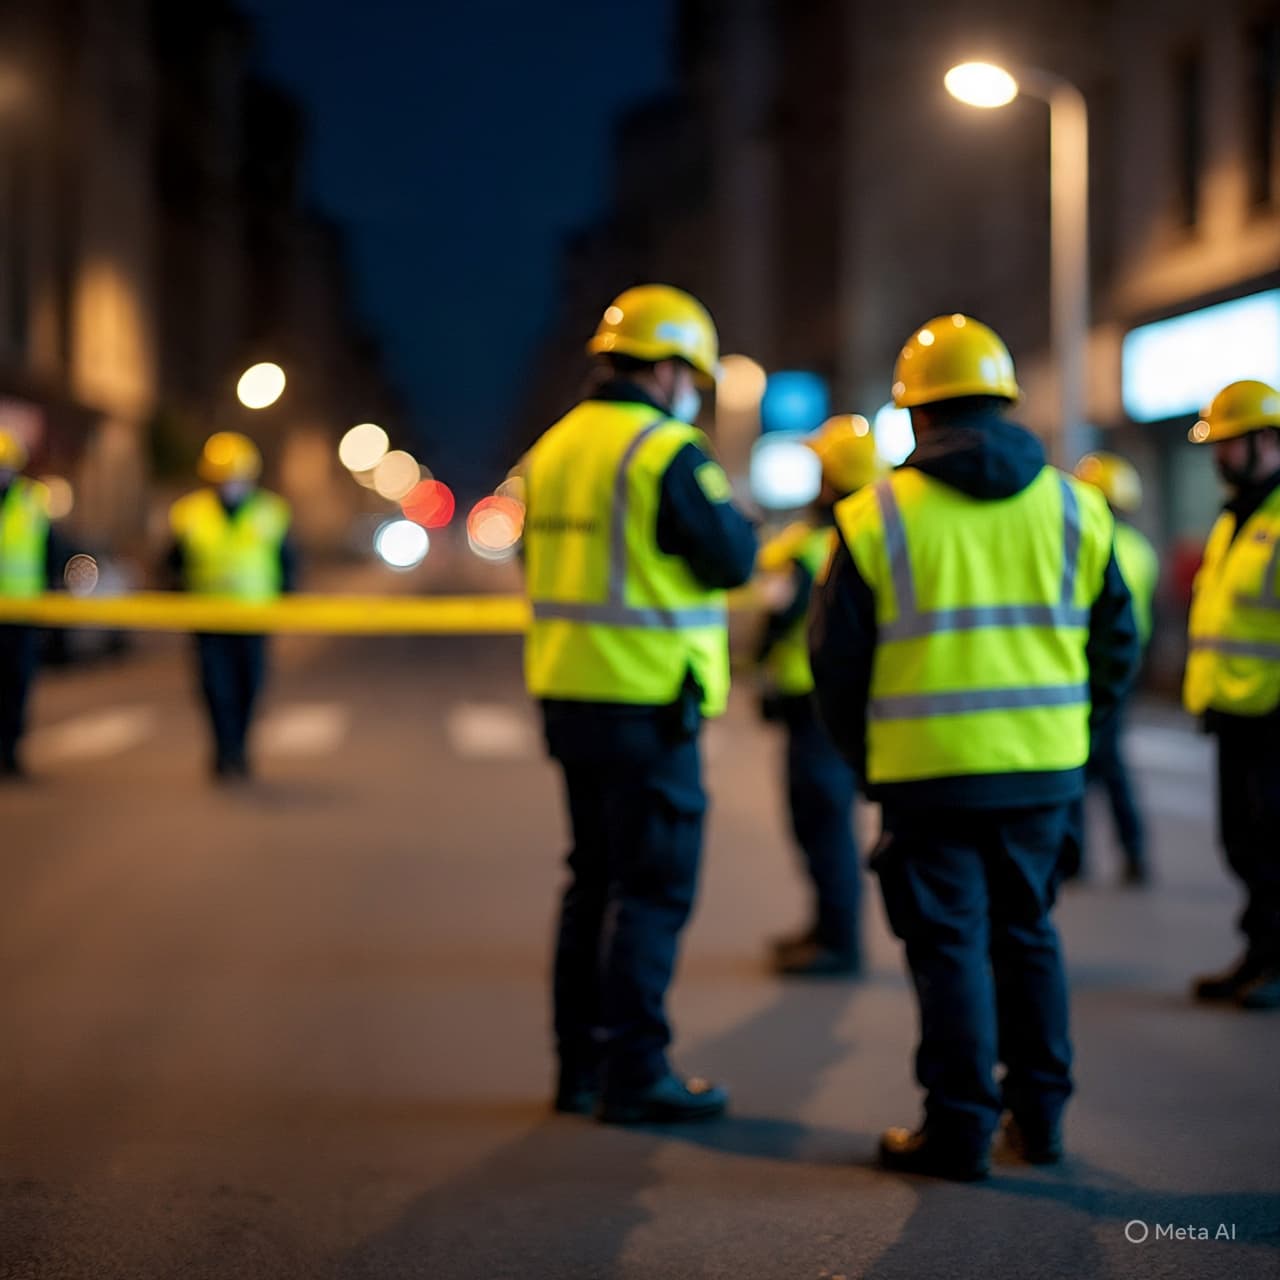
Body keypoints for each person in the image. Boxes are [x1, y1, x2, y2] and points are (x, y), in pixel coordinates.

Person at [810, 314, 1139, 1180]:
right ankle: (1042, 1123)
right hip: (1042, 771)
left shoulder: (874, 515)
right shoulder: (1078, 506)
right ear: (1005, 402)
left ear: (915, 415)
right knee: (1028, 934)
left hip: (927, 777)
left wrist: (868, 758)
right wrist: (1075, 733)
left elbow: (834, 666)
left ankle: (957, 1132)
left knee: (948, 947)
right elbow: (1118, 645)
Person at [522, 284, 757, 1123]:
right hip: (649, 701)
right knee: (652, 889)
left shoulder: (552, 448)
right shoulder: (665, 451)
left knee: (591, 881)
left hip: (568, 692)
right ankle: (636, 1073)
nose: (691, 389)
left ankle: (577, 1069)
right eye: (691, 373)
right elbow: (731, 558)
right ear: (664, 368)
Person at [755, 416, 882, 976]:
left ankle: (837, 940)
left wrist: (758, 666)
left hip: (811, 707)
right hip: (845, 699)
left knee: (821, 821)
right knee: (827, 821)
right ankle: (827, 929)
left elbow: (774, 619)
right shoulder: (873, 532)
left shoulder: (807, 546)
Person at [1184, 380, 1280, 1012]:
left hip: (1275, 715)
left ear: (1267, 440)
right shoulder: (1238, 516)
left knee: (1272, 847)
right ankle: (1259, 955)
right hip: (1234, 710)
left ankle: (1273, 964)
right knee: (1243, 843)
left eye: (1229, 444)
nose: (1218, 457)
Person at [167, 432, 294, 781]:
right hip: (208, 621)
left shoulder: (272, 512)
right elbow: (173, 564)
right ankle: (224, 752)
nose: (229, 484)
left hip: (254, 620)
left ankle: (239, 749)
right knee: (215, 689)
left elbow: (288, 565)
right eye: (223, 477)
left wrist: (285, 604)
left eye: (235, 476)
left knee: (249, 688)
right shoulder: (189, 513)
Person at [1070, 452, 1160, 885]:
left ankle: (1077, 857)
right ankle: (1133, 851)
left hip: (1089, 665)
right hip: (1125, 667)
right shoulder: (1139, 548)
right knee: (1110, 765)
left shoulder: (1091, 540)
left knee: (1085, 764)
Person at [0, 429, 62, 779]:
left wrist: (53, 605)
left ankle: (10, 752)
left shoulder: (33, 502)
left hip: (22, 615)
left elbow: (52, 554)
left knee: (16, 686)